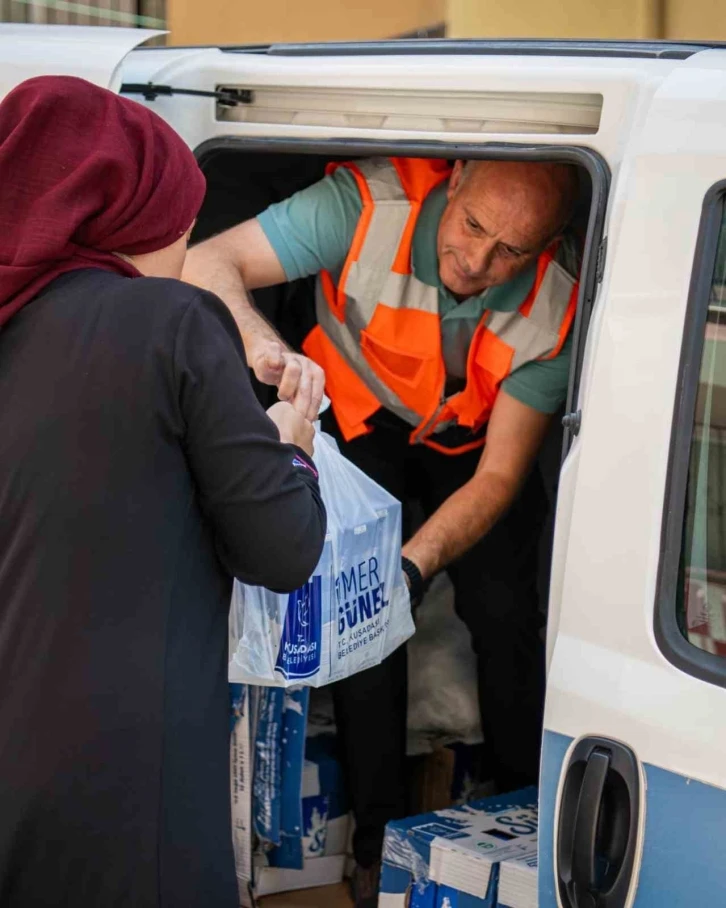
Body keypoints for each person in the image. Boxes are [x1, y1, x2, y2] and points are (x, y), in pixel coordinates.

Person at [184, 154, 581, 906]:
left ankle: (521, 816)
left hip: (472, 438)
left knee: (504, 615)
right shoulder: (366, 207)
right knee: (361, 617)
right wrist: (264, 347)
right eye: (471, 226)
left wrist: (413, 566)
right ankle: (376, 837)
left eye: (512, 250)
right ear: (453, 182)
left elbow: (499, 479)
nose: (478, 260)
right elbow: (208, 260)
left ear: (553, 242)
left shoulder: (558, 303)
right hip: (362, 411)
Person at [0, 76, 326, 908]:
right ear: (128, 216)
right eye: (180, 229)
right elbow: (282, 549)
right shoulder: (170, 323)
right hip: (120, 781)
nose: (182, 254)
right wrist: (291, 449)